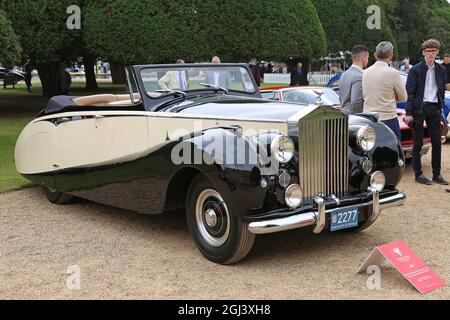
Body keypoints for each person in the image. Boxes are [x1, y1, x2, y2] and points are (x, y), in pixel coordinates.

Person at [404, 39, 448, 186]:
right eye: (428, 51)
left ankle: (437, 174)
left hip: (434, 108)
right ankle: (418, 174)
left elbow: (441, 89)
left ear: (437, 52)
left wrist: (440, 107)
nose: (430, 53)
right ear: (423, 52)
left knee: (437, 142)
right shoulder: (416, 69)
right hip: (419, 108)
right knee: (418, 142)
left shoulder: (441, 70)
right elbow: (409, 93)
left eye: (433, 51)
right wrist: (408, 112)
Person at [362, 41, 407, 140]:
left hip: (369, 118)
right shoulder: (393, 73)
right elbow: (404, 97)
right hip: (388, 118)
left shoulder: (365, 73)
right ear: (391, 56)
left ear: (375, 55)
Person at [339, 45, 369, 115]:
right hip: (355, 117)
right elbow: (356, 101)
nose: (367, 60)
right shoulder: (360, 76)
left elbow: (341, 98)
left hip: (343, 115)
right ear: (363, 58)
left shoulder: (344, 75)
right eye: (368, 58)